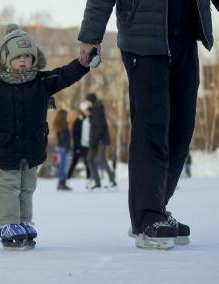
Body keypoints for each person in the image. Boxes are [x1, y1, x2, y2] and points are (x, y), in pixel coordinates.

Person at [78, 0, 218, 249]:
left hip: (186, 36)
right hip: (143, 39)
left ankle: (158, 208)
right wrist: (91, 34)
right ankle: (147, 216)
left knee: (181, 129)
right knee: (151, 128)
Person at [0, 24, 90, 249]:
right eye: (18, 57)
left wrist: (81, 64)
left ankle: (23, 220)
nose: (23, 61)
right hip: (5, 146)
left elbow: (64, 76)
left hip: (32, 147)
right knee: (8, 186)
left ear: (34, 59)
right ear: (6, 59)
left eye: (28, 57)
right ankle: (8, 224)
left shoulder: (41, 82)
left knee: (28, 186)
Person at [85, 93, 116, 190]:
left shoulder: (97, 110)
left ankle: (113, 181)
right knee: (89, 159)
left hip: (100, 140)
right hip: (95, 140)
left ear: (90, 101)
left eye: (87, 101)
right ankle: (97, 182)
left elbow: (100, 127)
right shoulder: (93, 110)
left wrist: (95, 140)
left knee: (102, 159)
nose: (86, 103)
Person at [67, 108, 90, 183]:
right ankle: (67, 180)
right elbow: (75, 135)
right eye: (86, 112)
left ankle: (88, 181)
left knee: (87, 163)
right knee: (74, 162)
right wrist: (77, 147)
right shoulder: (78, 121)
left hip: (85, 147)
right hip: (78, 147)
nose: (87, 113)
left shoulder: (87, 121)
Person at [53, 109, 72, 191]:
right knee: (63, 166)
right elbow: (64, 138)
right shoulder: (63, 126)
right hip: (63, 148)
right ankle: (62, 183)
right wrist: (68, 147)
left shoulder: (59, 125)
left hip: (61, 147)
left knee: (62, 166)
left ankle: (61, 183)